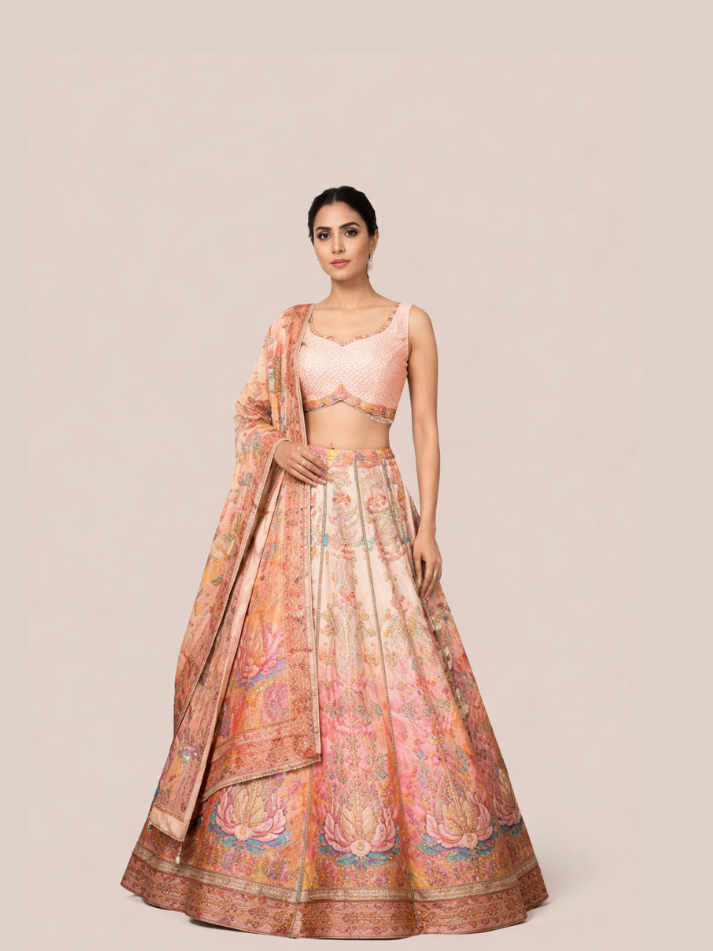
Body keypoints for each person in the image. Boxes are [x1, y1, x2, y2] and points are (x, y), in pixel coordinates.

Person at [120, 186, 548, 938]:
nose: (337, 246)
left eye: (350, 231)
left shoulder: (410, 321)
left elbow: (426, 429)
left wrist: (429, 527)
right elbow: (250, 412)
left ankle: (418, 870)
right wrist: (278, 446)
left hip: (378, 508)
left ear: (374, 237)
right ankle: (260, 867)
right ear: (312, 244)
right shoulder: (290, 325)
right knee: (281, 674)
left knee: (405, 675)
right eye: (323, 234)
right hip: (298, 516)